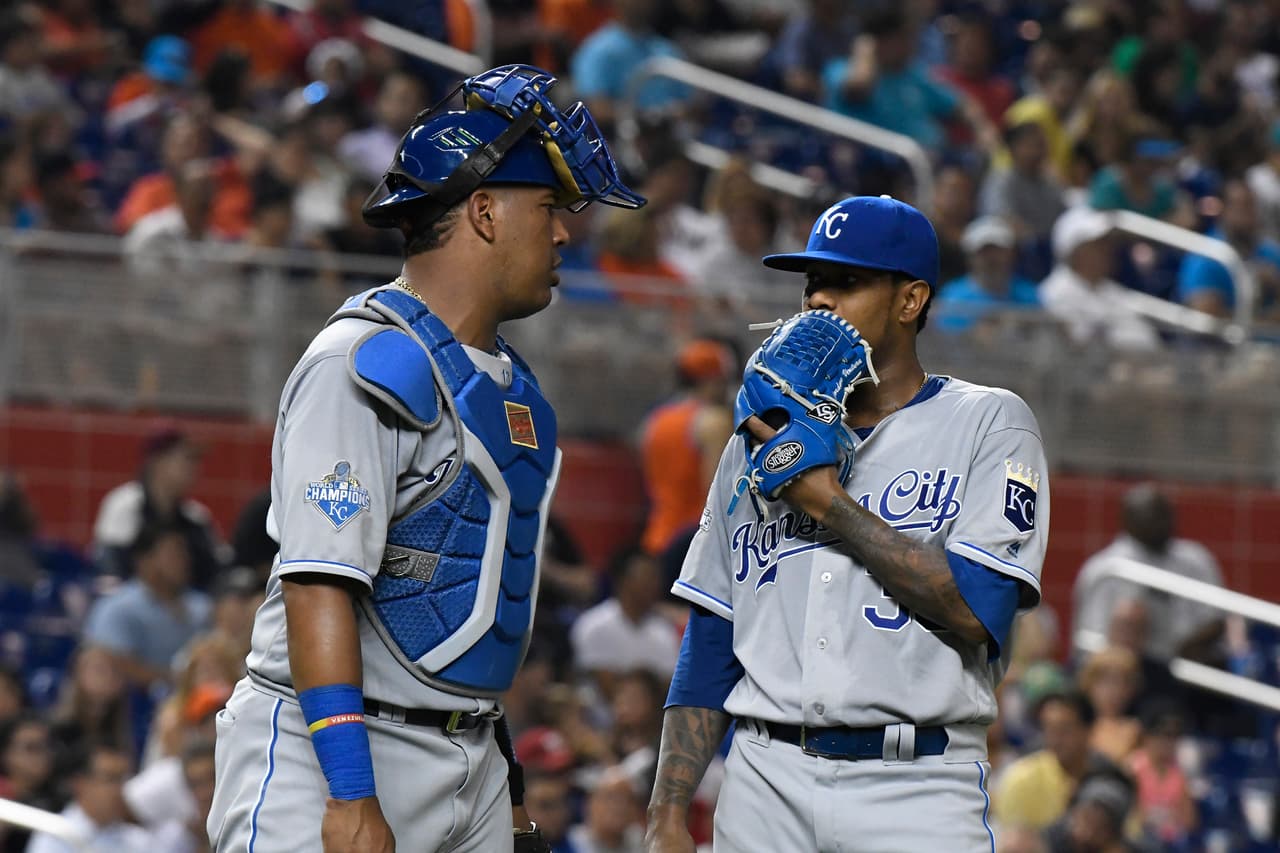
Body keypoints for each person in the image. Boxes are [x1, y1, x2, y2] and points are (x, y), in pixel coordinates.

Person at [207, 63, 644, 853]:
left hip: (469, 759)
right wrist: (350, 794)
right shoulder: (360, 362)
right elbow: (317, 585)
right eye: (547, 207)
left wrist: (505, 788)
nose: (561, 234)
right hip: (331, 753)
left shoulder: (508, 383)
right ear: (484, 211)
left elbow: (475, 612)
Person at [645, 195, 1051, 851]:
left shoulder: (988, 423)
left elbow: (978, 609)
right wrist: (667, 811)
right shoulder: (757, 440)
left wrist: (828, 503)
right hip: (763, 781)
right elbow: (713, 634)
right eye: (813, 282)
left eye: (847, 281)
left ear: (910, 300)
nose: (819, 299)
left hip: (916, 785)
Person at [1072, 483, 1225, 664]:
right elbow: (1092, 636)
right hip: (1124, 665)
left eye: (1163, 515)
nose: (1159, 523)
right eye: (1150, 515)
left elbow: (1216, 620)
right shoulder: (1107, 568)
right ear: (1128, 520)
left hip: (1189, 664)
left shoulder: (1195, 559)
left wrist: (1187, 648)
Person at [91, 425, 228, 588]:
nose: (195, 468)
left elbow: (217, 573)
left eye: (197, 461)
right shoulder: (124, 505)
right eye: (187, 459)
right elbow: (111, 569)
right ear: (158, 461)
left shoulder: (196, 516)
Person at [638, 339, 735, 556]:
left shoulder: (656, 420)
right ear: (712, 380)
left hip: (657, 537)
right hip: (693, 543)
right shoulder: (713, 421)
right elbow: (717, 491)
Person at [992, 691, 1123, 832]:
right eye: (1049, 729)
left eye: (1064, 729)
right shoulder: (1021, 779)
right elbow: (1009, 839)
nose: (1055, 739)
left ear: (1088, 730)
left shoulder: (1110, 776)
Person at [1040, 206, 1160, 350]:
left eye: (1108, 243)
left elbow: (1146, 343)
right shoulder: (1054, 292)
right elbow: (1077, 346)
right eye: (1098, 244)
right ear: (1076, 251)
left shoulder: (1115, 292)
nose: (1109, 250)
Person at [25, 742, 154, 853]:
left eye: (124, 778)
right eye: (111, 779)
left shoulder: (139, 840)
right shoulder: (53, 837)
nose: (120, 788)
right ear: (80, 784)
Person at [934, 216, 1040, 334]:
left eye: (998, 251)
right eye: (983, 252)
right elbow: (945, 338)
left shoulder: (1029, 295)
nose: (991, 259)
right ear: (970, 258)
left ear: (1011, 254)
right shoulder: (953, 298)